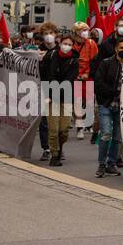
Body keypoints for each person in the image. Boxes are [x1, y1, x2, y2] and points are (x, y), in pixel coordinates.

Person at [91, 32, 123, 178]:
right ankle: (101, 164)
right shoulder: (106, 63)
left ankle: (111, 164)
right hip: (107, 105)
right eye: (121, 47)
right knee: (106, 134)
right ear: (116, 49)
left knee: (118, 138)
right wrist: (113, 92)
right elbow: (99, 83)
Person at [39, 31, 80, 166]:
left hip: (66, 97)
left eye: (69, 44)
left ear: (73, 46)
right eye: (64, 43)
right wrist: (48, 95)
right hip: (51, 98)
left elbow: (69, 80)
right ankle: (54, 154)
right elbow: (44, 75)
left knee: (64, 130)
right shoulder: (51, 56)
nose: (66, 46)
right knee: (53, 130)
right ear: (60, 43)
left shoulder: (74, 60)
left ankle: (60, 148)